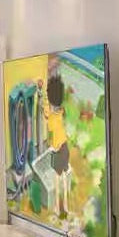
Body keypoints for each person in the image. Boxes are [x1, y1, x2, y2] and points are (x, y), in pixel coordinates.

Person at [44, 72, 70, 216]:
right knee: (65, 177)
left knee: (57, 178)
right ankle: (65, 206)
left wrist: (47, 114)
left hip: (57, 149)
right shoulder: (61, 112)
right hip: (65, 147)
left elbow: (50, 127)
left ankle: (56, 207)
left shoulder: (53, 117)